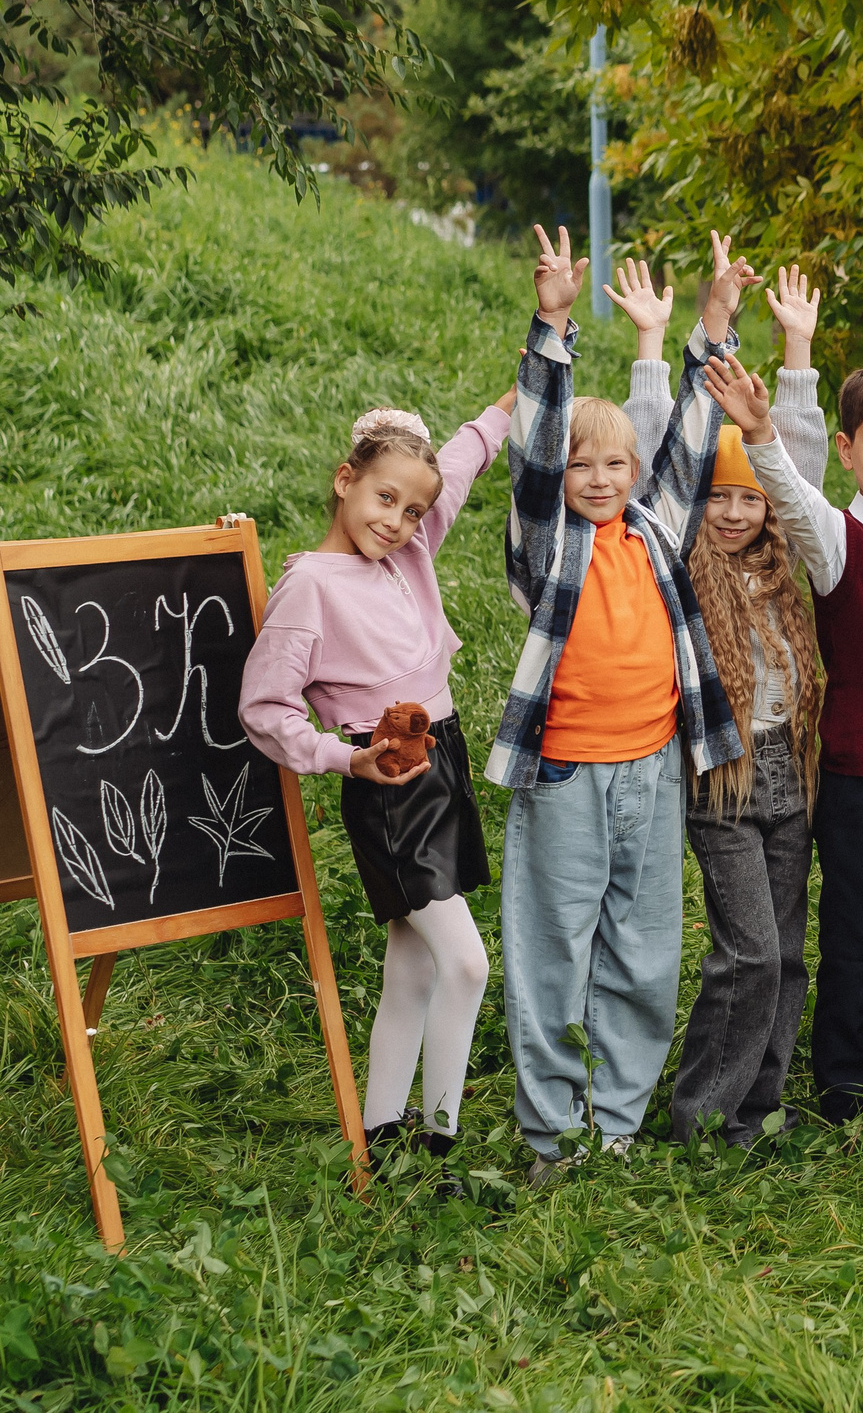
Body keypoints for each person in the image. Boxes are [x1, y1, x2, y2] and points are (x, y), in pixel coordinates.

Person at [487, 226, 752, 1184]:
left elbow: (688, 432)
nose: (601, 480)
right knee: (554, 947)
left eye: (617, 466)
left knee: (643, 952)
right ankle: (552, 1135)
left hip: (650, 769)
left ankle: (618, 1124)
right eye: (586, 469)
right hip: (565, 774)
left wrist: (715, 318)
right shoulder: (548, 547)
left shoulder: (654, 530)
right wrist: (553, 322)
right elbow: (536, 455)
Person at [240, 395, 512, 1163]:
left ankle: (383, 1135)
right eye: (383, 498)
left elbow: (462, 459)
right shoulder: (310, 589)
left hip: (445, 758)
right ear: (344, 480)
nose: (396, 522)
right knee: (465, 962)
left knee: (414, 964)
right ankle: (441, 1144)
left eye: (413, 511)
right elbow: (263, 708)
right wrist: (342, 756)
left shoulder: (410, 552)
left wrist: (538, 356)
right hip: (390, 784)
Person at [614, 260, 833, 1146]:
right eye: (721, 497)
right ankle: (700, 1117)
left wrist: (798, 351)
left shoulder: (788, 566)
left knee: (785, 954)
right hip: (723, 773)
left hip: (792, 771)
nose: (737, 511)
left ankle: (758, 1107)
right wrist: (651, 351)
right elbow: (654, 457)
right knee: (745, 950)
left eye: (750, 498)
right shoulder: (677, 562)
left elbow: (799, 461)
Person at [729, 356, 863, 1124]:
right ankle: (844, 1090)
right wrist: (760, 429)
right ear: (849, 450)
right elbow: (786, 488)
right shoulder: (839, 537)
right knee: (857, 935)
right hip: (861, 776)